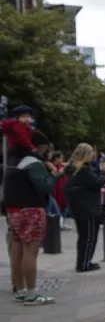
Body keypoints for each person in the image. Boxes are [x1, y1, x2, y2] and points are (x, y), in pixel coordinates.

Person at [2, 110, 56, 305]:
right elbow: (44, 186)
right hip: (31, 208)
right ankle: (32, 293)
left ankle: (21, 289)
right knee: (30, 250)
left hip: (13, 209)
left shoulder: (11, 161)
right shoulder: (33, 163)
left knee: (16, 249)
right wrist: (52, 174)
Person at [63, 143, 105, 273]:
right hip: (87, 207)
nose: (93, 155)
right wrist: (104, 172)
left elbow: (89, 183)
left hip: (78, 207)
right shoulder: (82, 170)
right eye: (90, 153)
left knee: (83, 236)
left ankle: (83, 262)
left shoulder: (73, 169)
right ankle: (84, 264)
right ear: (85, 155)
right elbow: (96, 183)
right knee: (89, 237)